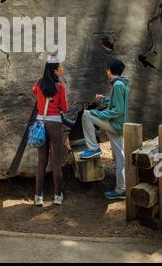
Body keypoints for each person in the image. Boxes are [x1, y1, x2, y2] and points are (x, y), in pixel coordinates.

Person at [79, 58, 130, 200]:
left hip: (115, 124)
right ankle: (122, 189)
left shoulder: (118, 85)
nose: (106, 71)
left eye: (107, 69)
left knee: (86, 115)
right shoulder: (123, 84)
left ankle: (93, 148)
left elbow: (118, 110)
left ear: (110, 70)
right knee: (120, 157)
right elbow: (116, 104)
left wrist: (97, 113)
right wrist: (103, 100)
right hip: (120, 125)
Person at [32, 55, 74, 207]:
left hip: (40, 124)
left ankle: (38, 196)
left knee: (41, 162)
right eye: (60, 68)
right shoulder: (60, 87)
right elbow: (65, 108)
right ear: (54, 70)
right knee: (56, 162)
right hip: (55, 124)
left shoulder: (39, 84)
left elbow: (34, 91)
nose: (62, 69)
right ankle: (57, 196)